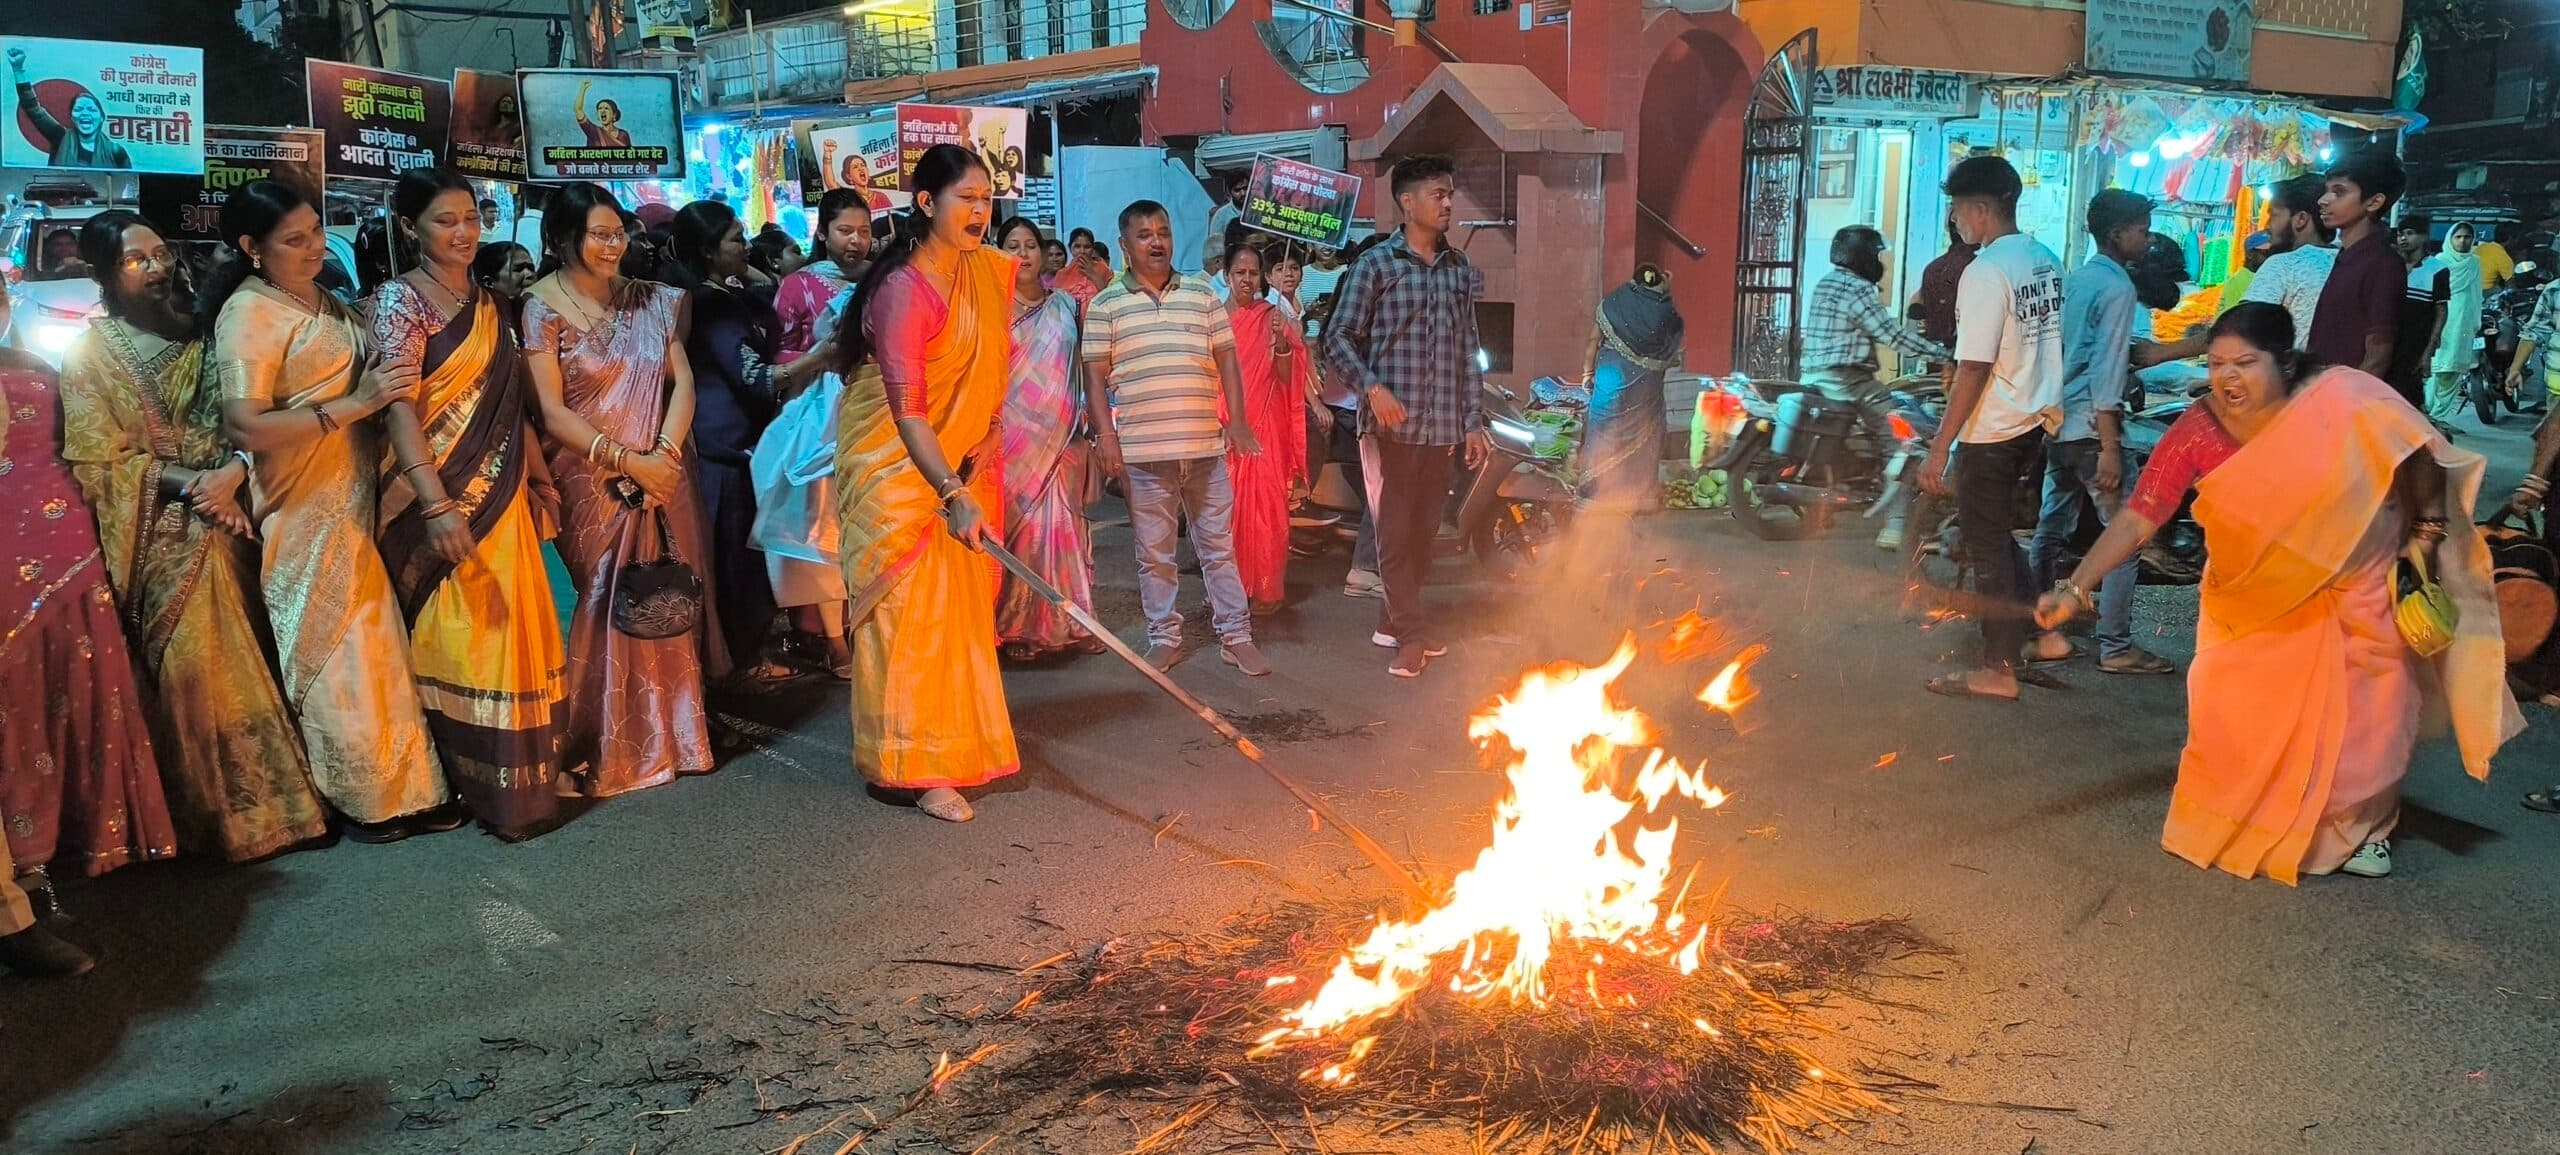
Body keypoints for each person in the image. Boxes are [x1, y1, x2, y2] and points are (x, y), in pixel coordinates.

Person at [2035, 303, 2521, 882]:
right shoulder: (2200, 426)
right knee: (2232, 706)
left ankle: (2364, 827)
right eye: (2216, 364)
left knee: (2374, 713)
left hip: (2357, 580)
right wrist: (2073, 586)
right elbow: (2142, 515)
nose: (2228, 378)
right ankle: (2259, 818)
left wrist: (2427, 533)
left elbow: (2416, 447)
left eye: (2246, 362)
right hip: (2252, 597)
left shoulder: (2343, 397)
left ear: (2285, 362)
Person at [57, 212, 329, 862]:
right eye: (136, 260)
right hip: (161, 521)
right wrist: (195, 488)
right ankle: (225, 819)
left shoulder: (212, 329)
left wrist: (231, 478)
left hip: (246, 500)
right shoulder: (90, 355)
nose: (158, 268)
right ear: (103, 274)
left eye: (161, 254)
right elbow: (101, 461)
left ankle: (299, 798)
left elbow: (257, 414)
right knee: (193, 646)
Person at [206, 179, 457, 842]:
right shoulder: (249, 313)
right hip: (301, 503)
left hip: (351, 496)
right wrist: (356, 405)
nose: (316, 246)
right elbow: (246, 426)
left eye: (317, 231)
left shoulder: (325, 299)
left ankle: (409, 787)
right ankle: (362, 796)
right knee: (335, 651)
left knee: (378, 646)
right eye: (295, 239)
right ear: (249, 247)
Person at [373, 170, 571, 841]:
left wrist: (540, 477)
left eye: (470, 217)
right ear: (410, 229)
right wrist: (434, 504)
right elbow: (398, 408)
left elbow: (510, 402)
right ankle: (476, 783)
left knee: (515, 629)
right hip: (441, 496)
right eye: (443, 221)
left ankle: (526, 780)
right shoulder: (400, 303)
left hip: (504, 494)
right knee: (463, 639)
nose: (463, 233)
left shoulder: (489, 303)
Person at [833, 143, 1021, 822]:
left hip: (961, 467)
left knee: (957, 622)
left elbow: (990, 376)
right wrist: (950, 488)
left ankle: (952, 748)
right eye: (966, 198)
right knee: (908, 625)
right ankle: (906, 765)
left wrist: (989, 433)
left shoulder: (988, 275)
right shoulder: (902, 291)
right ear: (925, 204)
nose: (979, 211)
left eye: (985, 198)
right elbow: (909, 411)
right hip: (899, 477)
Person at [522, 182, 726, 797]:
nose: (614, 246)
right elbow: (550, 411)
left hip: (662, 474)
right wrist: (625, 461)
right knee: (606, 601)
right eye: (599, 235)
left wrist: (661, 457)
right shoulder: (539, 309)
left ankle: (675, 739)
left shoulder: (652, 301)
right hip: (590, 477)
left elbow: (680, 382)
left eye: (620, 234)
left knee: (663, 589)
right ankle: (603, 746)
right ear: (563, 241)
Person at [0, 281, 177, 972]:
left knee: (63, 700)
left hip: (63, 551)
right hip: (11, 566)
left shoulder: (43, 363)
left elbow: (91, 447)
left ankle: (47, 861)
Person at [1323, 155, 1492, 678]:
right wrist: (1372, 388)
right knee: (1394, 533)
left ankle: (1389, 621)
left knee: (1422, 535)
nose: (1447, 204)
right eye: (1438, 194)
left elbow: (1468, 349)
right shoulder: (1374, 265)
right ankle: (1411, 637)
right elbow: (1337, 338)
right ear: (1407, 202)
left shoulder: (1458, 270)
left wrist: (1472, 421)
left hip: (1440, 428)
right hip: (1389, 430)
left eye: (1449, 194)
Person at [1085, 200, 1271, 675]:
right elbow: (1094, 375)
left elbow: (1227, 357)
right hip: (1145, 456)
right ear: (1125, 244)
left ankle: (1236, 635)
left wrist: (1239, 420)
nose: (1156, 241)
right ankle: (1164, 637)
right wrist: (1106, 436)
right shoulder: (1106, 304)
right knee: (1155, 556)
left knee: (1217, 548)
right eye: (1144, 234)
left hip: (1205, 449)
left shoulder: (1201, 295)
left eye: (1163, 232)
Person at [1919, 156, 2065, 701]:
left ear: (1980, 210)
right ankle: (2037, 636)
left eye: (1957, 210)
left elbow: (1974, 366)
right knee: (1999, 538)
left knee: (1987, 549)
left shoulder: (1984, 272)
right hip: (2035, 420)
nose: (1955, 221)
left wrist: (1939, 447)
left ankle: (1997, 668)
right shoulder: (2045, 259)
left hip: (1995, 427)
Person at [2022, 190, 2172, 677]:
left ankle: (2038, 626)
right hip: (2091, 427)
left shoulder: (2076, 279)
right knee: (2125, 537)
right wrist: (2110, 445)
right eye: (2142, 231)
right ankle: (2116, 646)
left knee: (2051, 527)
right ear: (2117, 234)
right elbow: (2108, 375)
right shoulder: (2118, 288)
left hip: (2059, 423)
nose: (2148, 240)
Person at [670, 200, 818, 681]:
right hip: (723, 449)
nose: (747, 244)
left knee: (744, 557)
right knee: (732, 561)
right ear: (709, 251)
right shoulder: (709, 306)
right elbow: (757, 378)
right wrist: (822, 356)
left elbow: (764, 294)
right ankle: (736, 663)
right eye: (736, 238)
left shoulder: (726, 293)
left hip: (742, 444)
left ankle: (741, 657)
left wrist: (744, 269)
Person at [757, 189, 868, 678]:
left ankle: (867, 627)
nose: (856, 241)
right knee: (820, 531)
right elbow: (782, 354)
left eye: (864, 231)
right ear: (822, 233)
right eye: (845, 230)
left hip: (867, 410)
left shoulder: (880, 280)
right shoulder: (798, 285)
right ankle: (833, 641)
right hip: (816, 416)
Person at [992, 216, 1104, 659]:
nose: (1023, 253)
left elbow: (1085, 366)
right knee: (1021, 534)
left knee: (1067, 531)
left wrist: (1093, 429)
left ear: (1042, 253)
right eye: (1012, 245)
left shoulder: (1065, 305)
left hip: (1061, 439)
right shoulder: (989, 309)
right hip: (1011, 440)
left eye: (1030, 245)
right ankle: (1018, 626)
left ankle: (1078, 620)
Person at [1222, 240, 1315, 615]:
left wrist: (1280, 344)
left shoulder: (1272, 317)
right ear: (1226, 275)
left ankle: (1265, 588)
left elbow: (1287, 376)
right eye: (1239, 273)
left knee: (1268, 512)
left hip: (1265, 427)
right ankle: (1229, 591)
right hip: (1224, 427)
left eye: (1253, 273)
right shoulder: (1212, 318)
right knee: (1224, 513)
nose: (1247, 280)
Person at [1804, 225, 1948, 440]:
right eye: (1876, 255)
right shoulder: (1856, 287)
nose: (1879, 262)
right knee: (1898, 434)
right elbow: (1893, 336)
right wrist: (1944, 354)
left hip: (1813, 377)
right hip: (1849, 383)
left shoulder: (1826, 282)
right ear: (1863, 256)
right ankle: (1895, 472)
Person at [1578, 264, 1685, 516]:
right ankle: (1639, 494)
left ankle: (1596, 492)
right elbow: (1670, 352)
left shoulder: (1616, 303)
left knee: (1604, 427)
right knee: (1647, 429)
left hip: (1611, 383)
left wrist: (1587, 373)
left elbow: (1593, 340)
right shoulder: (1664, 311)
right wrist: (1666, 286)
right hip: (1645, 390)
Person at [2307, 150, 2408, 392]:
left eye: (2339, 192)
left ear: (2374, 202)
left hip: (2345, 402)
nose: (2324, 199)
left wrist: (2346, 408)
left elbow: (2378, 358)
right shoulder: (2348, 255)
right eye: (2327, 190)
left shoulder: (2382, 264)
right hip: (2322, 392)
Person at [2239, 174, 2336, 344]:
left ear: (2301, 219)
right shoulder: (2347, 260)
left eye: (2273, 215)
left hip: (2293, 369)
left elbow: (2240, 330)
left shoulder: (2282, 264)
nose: (2267, 225)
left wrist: (2176, 350)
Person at [5, 49, 132, 168]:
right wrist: (18, 69)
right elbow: (32, 108)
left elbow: (128, 183)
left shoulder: (116, 151)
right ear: (72, 117)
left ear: (101, 118)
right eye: (79, 109)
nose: (85, 113)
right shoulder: (60, 138)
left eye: (92, 110)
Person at [2425, 222, 2484, 426]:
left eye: (2467, 237)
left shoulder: (2475, 263)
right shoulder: (2440, 262)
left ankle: (2440, 417)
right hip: (2444, 323)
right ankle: (2426, 414)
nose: (2463, 241)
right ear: (2450, 239)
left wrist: (2477, 320)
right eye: (2458, 237)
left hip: (2465, 324)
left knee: (2454, 371)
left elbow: (2477, 294)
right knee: (2437, 370)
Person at [1913, 219, 1976, 351]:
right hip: (1966, 352)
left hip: (1934, 351)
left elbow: (1918, 306)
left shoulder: (1932, 267)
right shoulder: (1976, 266)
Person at [472, 240, 538, 325]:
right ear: (488, 282)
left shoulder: (541, 316)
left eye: (531, 268)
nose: (530, 274)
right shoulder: (476, 323)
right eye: (518, 269)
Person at [575, 81, 632, 147]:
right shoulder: (593, 132)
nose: (602, 111)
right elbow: (578, 110)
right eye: (600, 108)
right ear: (598, 116)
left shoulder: (623, 135)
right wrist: (583, 89)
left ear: (614, 115)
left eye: (606, 108)